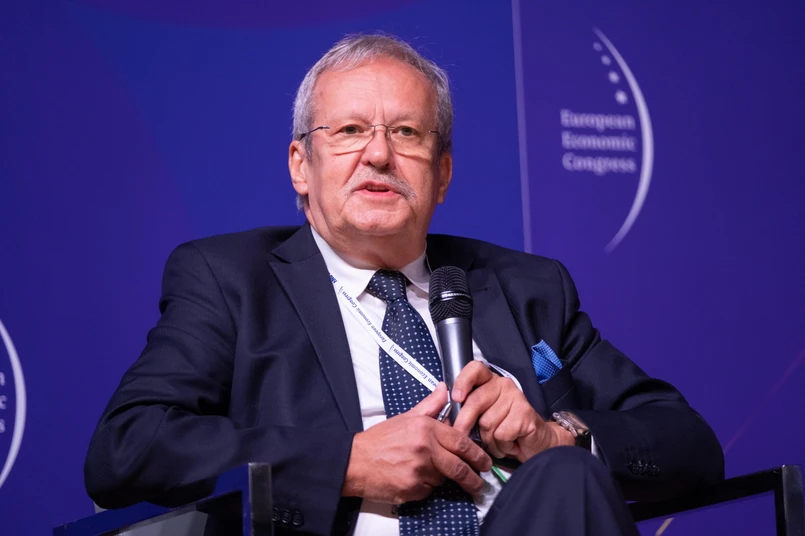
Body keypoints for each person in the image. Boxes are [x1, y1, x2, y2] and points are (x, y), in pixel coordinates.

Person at [84, 34, 724, 536]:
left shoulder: (527, 287)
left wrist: (555, 436)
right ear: (301, 166)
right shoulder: (230, 281)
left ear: (442, 175)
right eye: (350, 131)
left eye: (407, 133)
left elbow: (689, 444)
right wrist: (347, 464)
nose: (379, 154)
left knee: (565, 476)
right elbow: (126, 448)